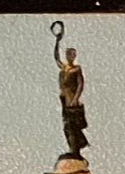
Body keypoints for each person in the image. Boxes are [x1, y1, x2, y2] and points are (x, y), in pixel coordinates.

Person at [53, 23, 89, 158]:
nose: (70, 55)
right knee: (67, 125)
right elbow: (56, 57)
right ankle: (73, 149)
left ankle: (76, 151)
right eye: (68, 53)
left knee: (74, 126)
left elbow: (80, 84)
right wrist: (57, 41)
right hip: (64, 98)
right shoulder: (64, 68)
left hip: (72, 100)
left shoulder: (76, 69)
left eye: (72, 54)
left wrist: (75, 99)